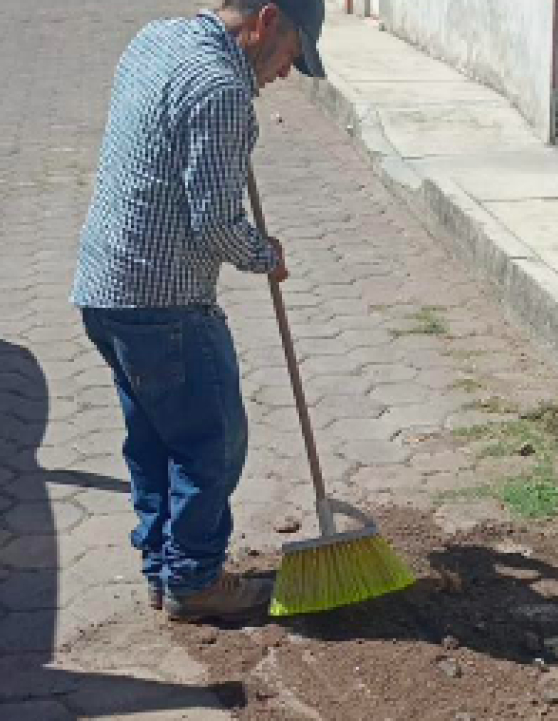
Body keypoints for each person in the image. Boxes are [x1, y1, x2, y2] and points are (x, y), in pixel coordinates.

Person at [71, 0, 326, 621]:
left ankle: (165, 569)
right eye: (293, 51)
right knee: (212, 441)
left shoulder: (157, 38)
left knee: (157, 439)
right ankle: (195, 582)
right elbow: (212, 221)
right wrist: (265, 255)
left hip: (105, 290)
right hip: (165, 305)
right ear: (266, 21)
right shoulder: (221, 89)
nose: (287, 72)